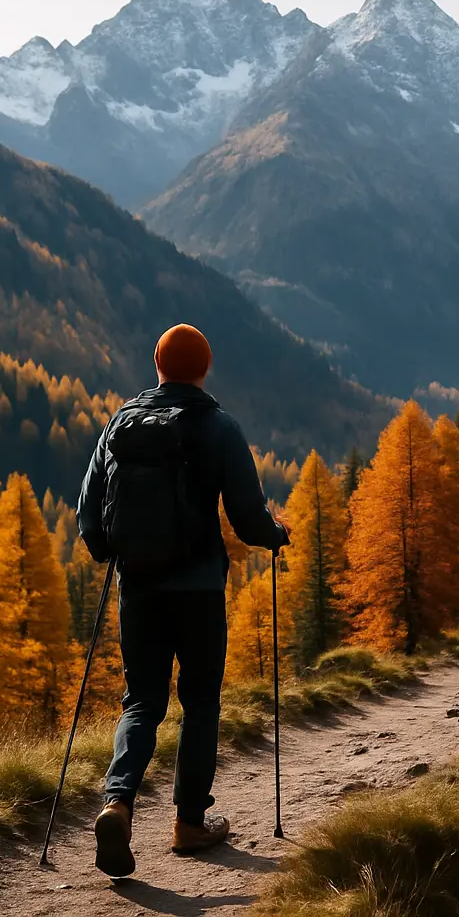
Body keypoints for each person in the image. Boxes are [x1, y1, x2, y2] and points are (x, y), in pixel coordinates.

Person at [77, 323, 289, 879]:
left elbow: (89, 513)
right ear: (204, 368)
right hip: (197, 589)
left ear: (157, 366)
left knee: (142, 700)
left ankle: (117, 803)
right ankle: (189, 824)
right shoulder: (218, 426)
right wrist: (276, 534)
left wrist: (111, 553)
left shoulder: (119, 425)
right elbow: (246, 518)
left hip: (138, 586)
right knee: (199, 702)